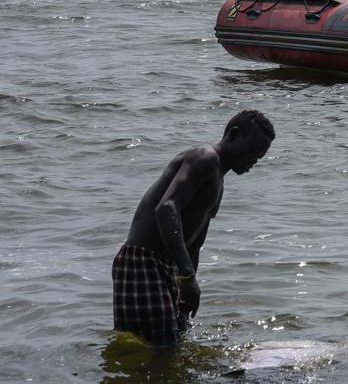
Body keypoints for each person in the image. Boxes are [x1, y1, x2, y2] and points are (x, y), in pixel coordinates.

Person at [112, 110, 276, 346]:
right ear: (233, 135)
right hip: (142, 261)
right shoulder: (205, 157)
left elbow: (195, 243)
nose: (254, 159)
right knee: (161, 347)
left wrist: (187, 286)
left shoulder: (219, 179)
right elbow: (166, 209)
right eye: (252, 150)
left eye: (260, 156)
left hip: (168, 266)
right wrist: (186, 274)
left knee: (174, 341)